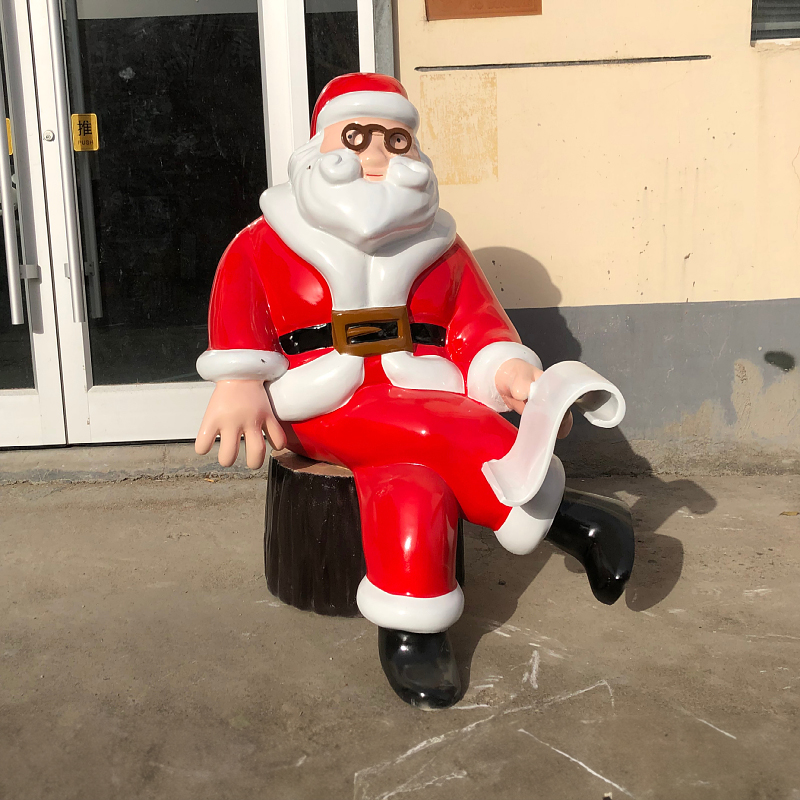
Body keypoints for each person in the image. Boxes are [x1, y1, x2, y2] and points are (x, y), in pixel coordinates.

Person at [195, 73, 633, 709]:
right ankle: (568, 519)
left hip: (423, 393)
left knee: (412, 476)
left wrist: (506, 368)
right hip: (324, 402)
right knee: (436, 431)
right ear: (323, 146)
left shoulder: (440, 244)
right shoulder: (266, 238)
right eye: (358, 136)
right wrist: (239, 383)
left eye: (395, 140)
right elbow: (238, 316)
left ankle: (411, 634)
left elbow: (477, 325)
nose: (377, 154)